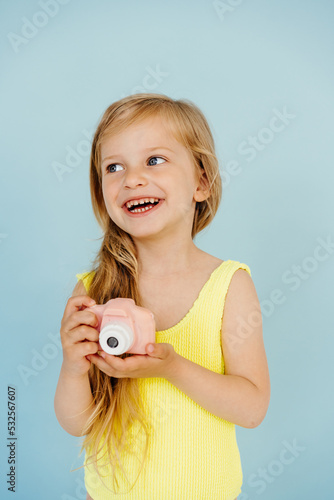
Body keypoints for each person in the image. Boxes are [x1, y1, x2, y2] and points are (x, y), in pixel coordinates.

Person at [54, 93, 270, 500]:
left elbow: (253, 408)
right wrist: (72, 367)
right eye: (114, 167)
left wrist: (173, 368)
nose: (131, 178)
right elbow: (78, 423)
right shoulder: (93, 290)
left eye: (154, 160)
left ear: (201, 182)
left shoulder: (229, 284)